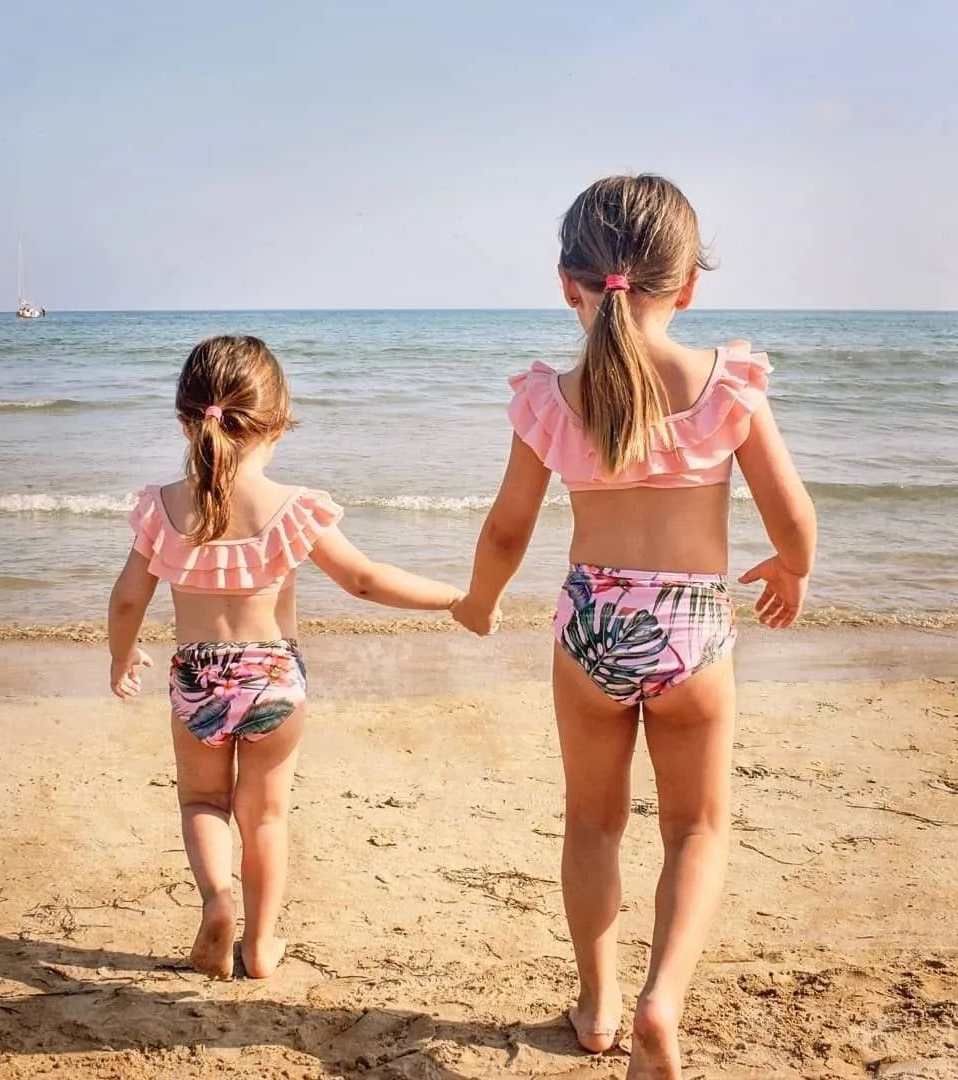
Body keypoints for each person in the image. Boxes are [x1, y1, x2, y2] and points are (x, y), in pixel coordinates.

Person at [451, 175, 816, 1078]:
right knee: (696, 828)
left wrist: (481, 600)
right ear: (686, 285)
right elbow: (792, 515)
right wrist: (791, 567)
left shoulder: (551, 397)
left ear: (567, 284)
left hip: (591, 624)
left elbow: (507, 529)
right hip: (692, 626)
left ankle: (599, 1004)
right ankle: (663, 1001)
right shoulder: (727, 383)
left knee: (593, 823)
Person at [107, 334, 462, 980]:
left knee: (202, 803)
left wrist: (122, 656)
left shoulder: (162, 507)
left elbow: (130, 596)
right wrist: (456, 600)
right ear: (276, 424)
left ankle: (217, 902)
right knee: (266, 816)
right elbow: (364, 580)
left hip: (197, 678)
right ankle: (262, 945)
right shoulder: (292, 507)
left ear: (187, 421)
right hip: (272, 677)